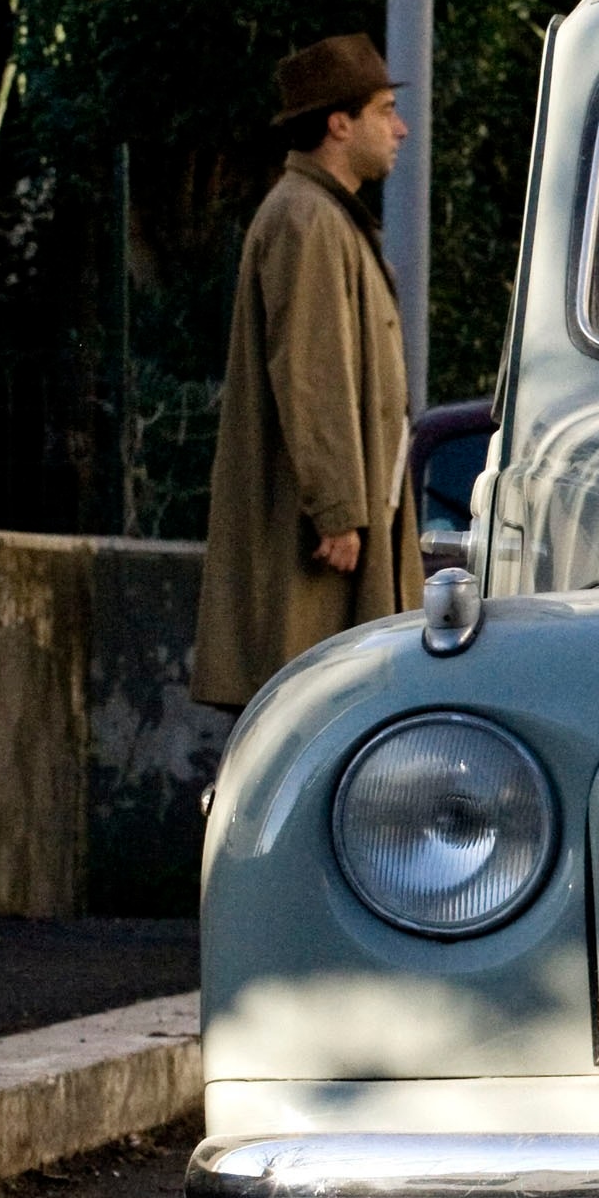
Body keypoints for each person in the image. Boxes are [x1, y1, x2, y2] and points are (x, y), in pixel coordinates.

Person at [193, 35, 414, 710]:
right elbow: (311, 375)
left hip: (332, 519)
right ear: (337, 124)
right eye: (383, 110)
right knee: (312, 702)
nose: (399, 128)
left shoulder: (325, 217)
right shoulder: (306, 219)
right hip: (316, 534)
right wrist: (339, 510)